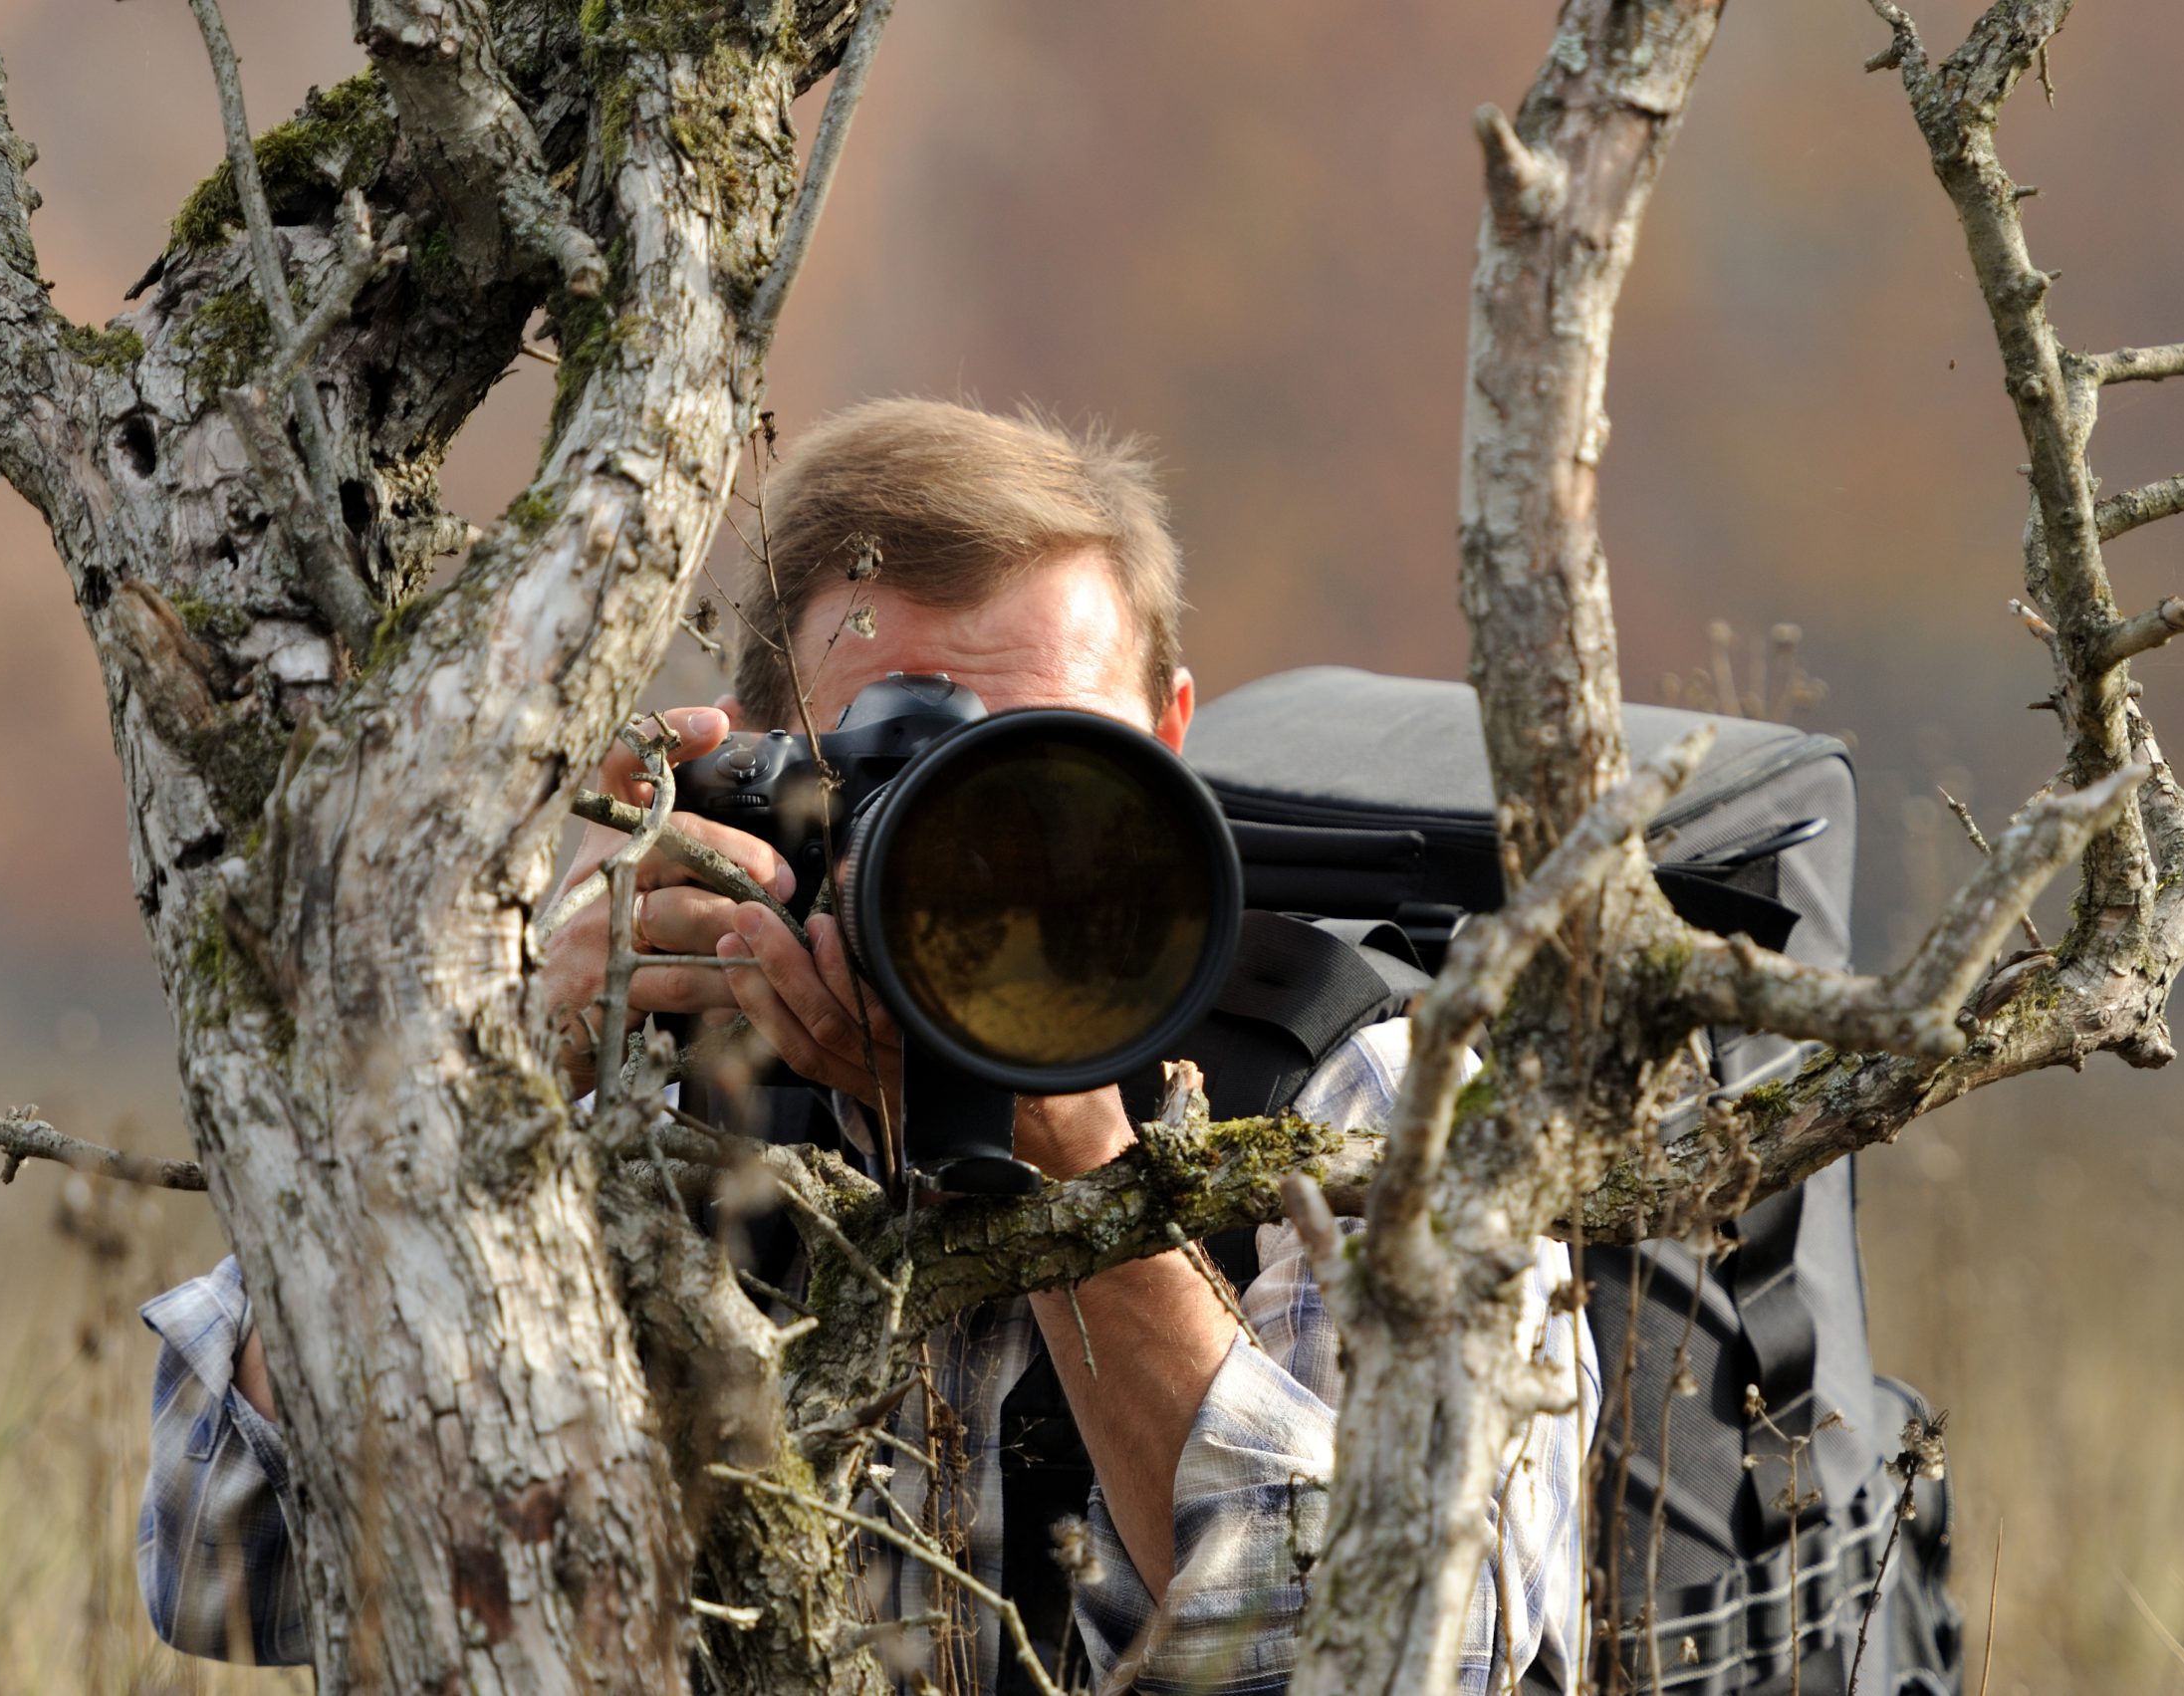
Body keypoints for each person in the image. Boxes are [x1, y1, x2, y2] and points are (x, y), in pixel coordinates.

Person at [138, 399, 1597, 1692]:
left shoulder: (1365, 1084)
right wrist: (482, 1085)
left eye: (1047, 776)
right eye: (903, 780)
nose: (990, 857)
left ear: (1167, 745)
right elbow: (225, 1559)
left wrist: (1077, 1162)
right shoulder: (649, 1078)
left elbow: (1404, 1658)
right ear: (757, 775)